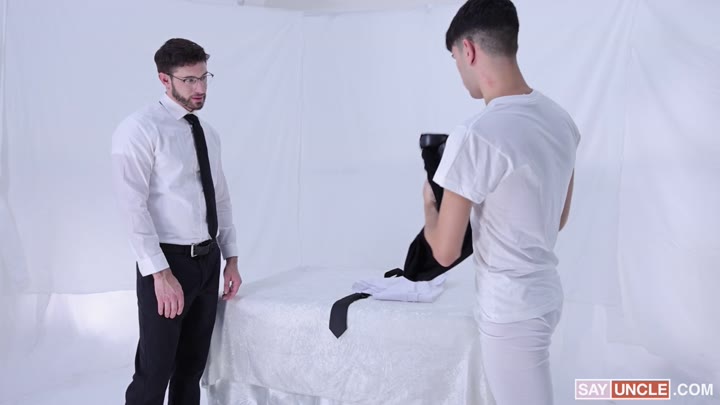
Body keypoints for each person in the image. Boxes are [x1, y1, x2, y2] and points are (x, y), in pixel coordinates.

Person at [422, 1, 579, 404]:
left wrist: (430, 205)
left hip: (510, 311)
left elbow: (444, 251)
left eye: (455, 60)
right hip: (545, 297)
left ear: (468, 50)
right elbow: (557, 218)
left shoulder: (477, 133)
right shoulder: (561, 120)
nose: (459, 72)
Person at [111, 38, 242, 405]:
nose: (200, 88)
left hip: (208, 261)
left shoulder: (207, 132)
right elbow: (132, 207)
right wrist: (159, 273)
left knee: (191, 370)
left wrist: (231, 258)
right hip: (168, 263)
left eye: (204, 77)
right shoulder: (139, 129)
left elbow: (220, 197)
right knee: (154, 373)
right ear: (164, 79)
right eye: (189, 80)